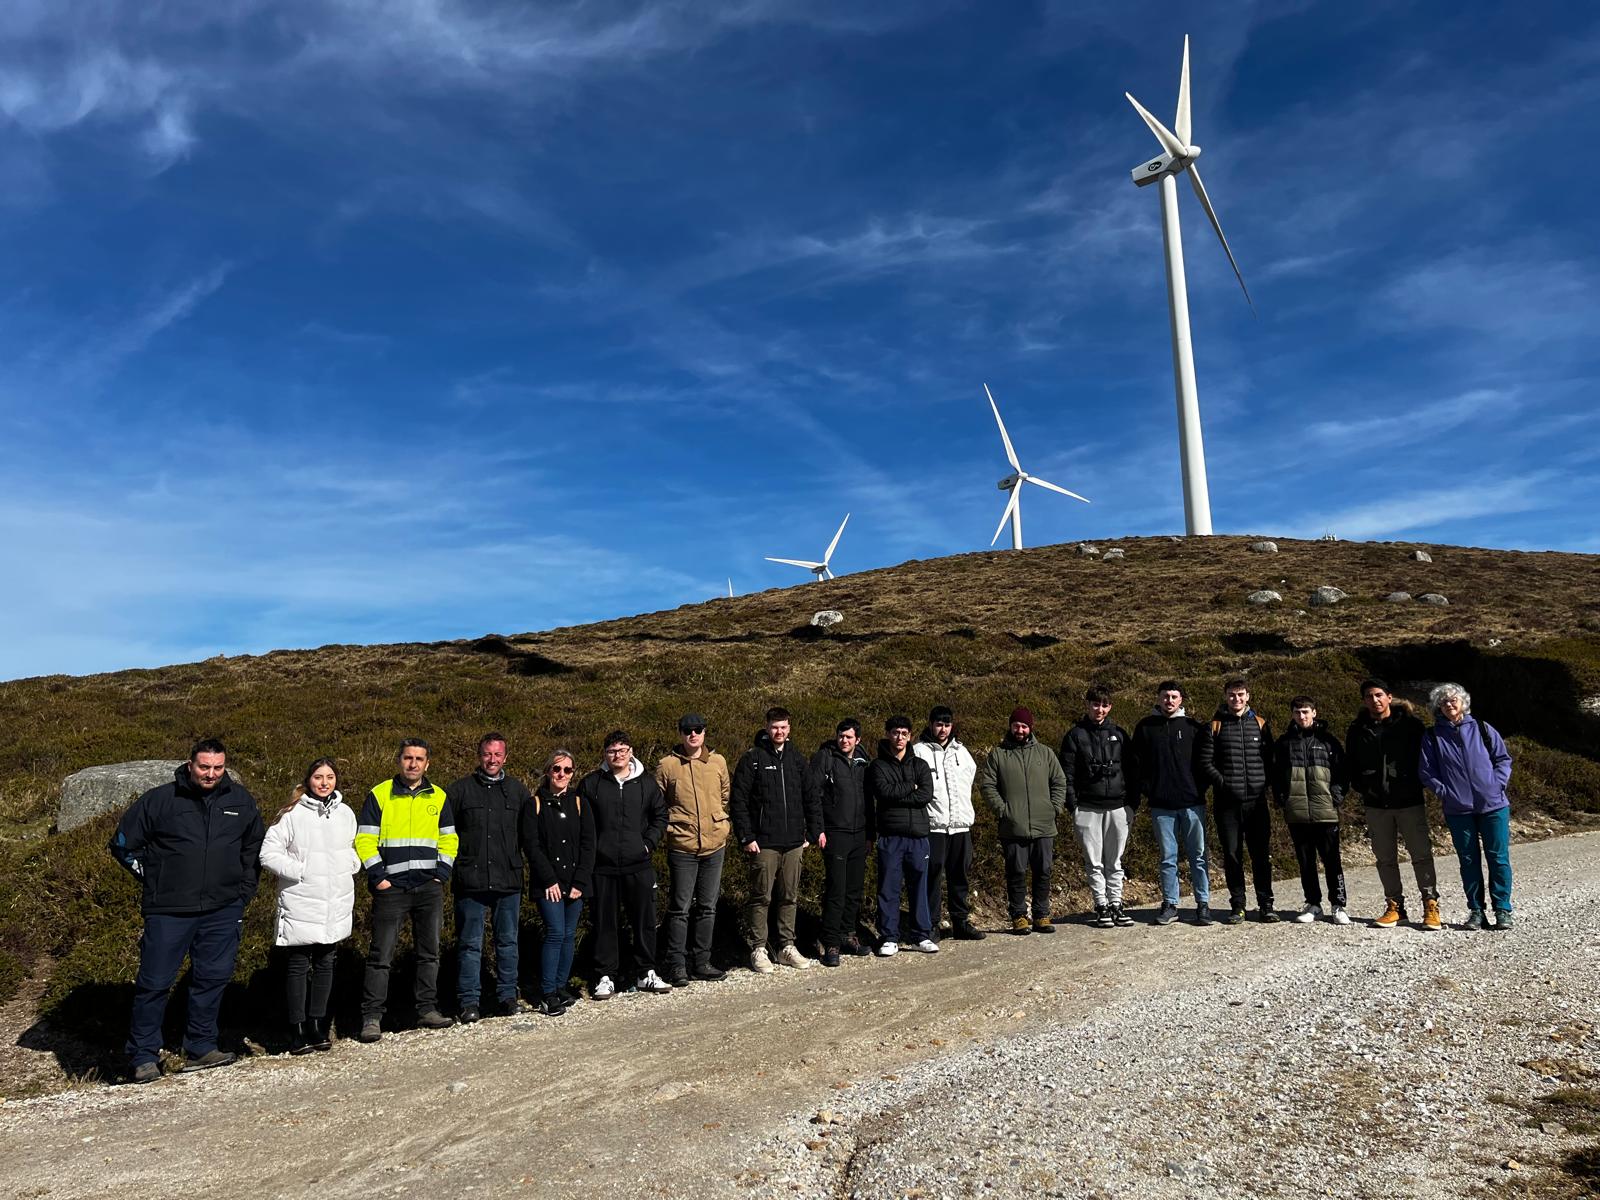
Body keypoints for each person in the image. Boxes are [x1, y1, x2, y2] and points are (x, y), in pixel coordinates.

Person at [109, 738, 265, 1082]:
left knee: (211, 980)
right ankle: (144, 1055)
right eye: (204, 766)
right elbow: (122, 844)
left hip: (222, 910)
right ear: (190, 764)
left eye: (217, 767)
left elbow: (253, 849)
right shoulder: (161, 799)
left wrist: (242, 893)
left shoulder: (240, 801)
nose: (210, 774)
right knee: (154, 983)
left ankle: (201, 1047)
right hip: (168, 910)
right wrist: (153, 878)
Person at [355, 738, 458, 1042]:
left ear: (428, 763)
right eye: (408, 758)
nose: (413, 764)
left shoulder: (438, 796)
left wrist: (442, 873)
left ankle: (426, 1009)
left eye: (420, 759)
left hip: (428, 887)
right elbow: (364, 839)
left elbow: (449, 839)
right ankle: (372, 1017)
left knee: (429, 953)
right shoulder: (380, 794)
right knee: (380, 955)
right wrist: (378, 876)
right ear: (398, 760)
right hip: (391, 889)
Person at [259, 757, 359, 1054]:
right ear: (308, 780)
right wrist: (299, 871)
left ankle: (318, 1024)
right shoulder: (292, 814)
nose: (324, 782)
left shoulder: (345, 813)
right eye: (318, 777)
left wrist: (351, 864)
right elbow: (268, 853)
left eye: (329, 777)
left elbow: (352, 846)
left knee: (327, 962)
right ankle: (297, 1028)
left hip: (335, 899)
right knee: (299, 965)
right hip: (302, 899)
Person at [447, 732, 536, 1022]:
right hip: (470, 880)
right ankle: (469, 1002)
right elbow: (446, 836)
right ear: (479, 755)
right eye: (487, 754)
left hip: (508, 879)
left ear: (506, 757)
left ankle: (507, 998)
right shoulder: (459, 791)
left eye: (498, 754)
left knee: (508, 942)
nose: (492, 760)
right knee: (470, 944)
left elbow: (529, 837)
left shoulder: (518, 791)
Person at [578, 730, 671, 997]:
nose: (617, 755)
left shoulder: (646, 783)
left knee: (644, 921)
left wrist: (647, 844)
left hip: (638, 864)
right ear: (604, 754)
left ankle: (646, 972)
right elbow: (584, 823)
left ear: (630, 751)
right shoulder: (592, 784)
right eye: (611, 751)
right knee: (605, 922)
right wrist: (594, 851)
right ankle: (606, 976)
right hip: (603, 867)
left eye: (622, 750)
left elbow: (660, 816)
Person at [730, 706, 822, 973]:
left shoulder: (797, 759)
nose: (778, 731)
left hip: (794, 842)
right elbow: (739, 801)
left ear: (789, 728)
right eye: (774, 727)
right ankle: (759, 948)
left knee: (789, 896)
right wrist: (746, 835)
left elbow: (811, 797)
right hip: (764, 842)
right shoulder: (753, 758)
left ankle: (786, 946)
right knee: (761, 896)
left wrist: (812, 833)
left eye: (783, 727)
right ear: (767, 727)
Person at [1346, 678, 1440, 930]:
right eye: (1368, 696)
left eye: (1378, 695)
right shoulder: (1357, 729)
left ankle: (1430, 904)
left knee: (1420, 855)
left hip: (1409, 801)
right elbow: (1351, 764)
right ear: (1364, 701)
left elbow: (1427, 759)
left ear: (1389, 697)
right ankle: (1395, 906)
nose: (1374, 700)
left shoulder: (1411, 726)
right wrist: (1364, 786)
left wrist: (1414, 783)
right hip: (1376, 804)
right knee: (1385, 858)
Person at [1419, 683, 1514, 931]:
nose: (1449, 705)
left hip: (1493, 805)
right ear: (1437, 707)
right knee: (1468, 860)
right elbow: (1427, 772)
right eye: (1443, 702)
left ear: (1463, 702)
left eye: (1453, 700)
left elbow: (1502, 758)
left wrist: (1498, 784)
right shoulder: (1432, 736)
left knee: (1498, 858)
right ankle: (1476, 911)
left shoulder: (1482, 728)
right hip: (1458, 809)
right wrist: (1445, 792)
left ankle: (1503, 910)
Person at [655, 714, 732, 987]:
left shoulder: (718, 762)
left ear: (704, 732)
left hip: (714, 844)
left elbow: (724, 795)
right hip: (683, 846)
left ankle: (702, 962)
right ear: (680, 733)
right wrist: (672, 828)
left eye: (698, 730)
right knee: (680, 908)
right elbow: (658, 804)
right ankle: (677, 965)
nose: (693, 735)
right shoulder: (667, 765)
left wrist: (718, 822)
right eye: (687, 730)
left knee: (708, 907)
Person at [978, 707, 1068, 935]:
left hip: (1044, 825)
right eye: (1016, 725)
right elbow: (987, 785)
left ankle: (1042, 915)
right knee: (1016, 871)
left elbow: (1059, 781)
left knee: (1044, 870)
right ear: (1010, 726)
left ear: (1030, 728)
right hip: (1012, 826)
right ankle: (1018, 916)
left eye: (1024, 726)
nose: (1020, 730)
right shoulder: (998, 754)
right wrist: (1002, 810)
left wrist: (1054, 808)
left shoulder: (1045, 753)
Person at [1131, 682, 1215, 925]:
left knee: (1198, 856)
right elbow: (1136, 763)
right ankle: (1170, 904)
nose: (1169, 700)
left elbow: (1205, 762)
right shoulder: (1145, 727)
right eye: (1165, 696)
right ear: (1157, 698)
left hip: (1192, 804)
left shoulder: (1193, 728)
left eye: (1174, 696)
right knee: (1168, 857)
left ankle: (1203, 904)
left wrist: (1200, 789)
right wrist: (1149, 789)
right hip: (1161, 806)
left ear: (1181, 700)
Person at [1199, 678, 1276, 923]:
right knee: (1232, 855)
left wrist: (1264, 784)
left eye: (1240, 694)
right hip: (1227, 805)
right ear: (1225, 697)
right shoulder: (1214, 726)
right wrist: (1224, 784)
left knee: (1261, 855)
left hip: (1257, 803)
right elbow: (1205, 762)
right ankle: (1238, 906)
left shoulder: (1260, 724)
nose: (1237, 699)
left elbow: (1270, 759)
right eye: (1232, 695)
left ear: (1248, 696)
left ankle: (1266, 904)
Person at [1059, 684, 1137, 928]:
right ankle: (1101, 904)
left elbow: (1133, 771)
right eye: (1095, 704)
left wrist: (1132, 803)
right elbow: (1066, 774)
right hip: (1088, 807)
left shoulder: (1121, 734)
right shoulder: (1074, 735)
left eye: (1104, 705)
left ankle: (1116, 903)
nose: (1099, 709)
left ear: (1110, 706)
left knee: (1115, 861)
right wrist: (1073, 806)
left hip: (1118, 807)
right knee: (1094, 861)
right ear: (1087, 705)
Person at [529, 749, 595, 1015]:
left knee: (568, 935)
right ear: (548, 771)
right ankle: (547, 993)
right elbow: (532, 846)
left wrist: (580, 880)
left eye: (567, 770)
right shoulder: (534, 803)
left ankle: (559, 987)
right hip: (548, 884)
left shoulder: (580, 802)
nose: (562, 775)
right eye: (557, 769)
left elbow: (589, 844)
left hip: (575, 882)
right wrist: (549, 880)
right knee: (555, 932)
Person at [1272, 697, 1349, 924]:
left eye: (1305, 711)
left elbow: (1342, 773)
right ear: (1292, 715)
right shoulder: (1284, 743)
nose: (1301, 716)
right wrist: (1283, 799)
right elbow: (1276, 775)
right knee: (1306, 862)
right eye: (1297, 712)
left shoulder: (1328, 741)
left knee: (1332, 860)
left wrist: (1335, 797)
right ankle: (1313, 904)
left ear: (1315, 712)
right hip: (1297, 813)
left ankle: (1338, 905)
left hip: (1325, 812)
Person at [913, 706, 984, 942]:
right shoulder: (919, 751)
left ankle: (960, 921)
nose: (942, 729)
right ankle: (930, 925)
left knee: (959, 875)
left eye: (947, 724)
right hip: (935, 826)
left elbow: (969, 780)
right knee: (932, 876)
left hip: (960, 826)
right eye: (938, 724)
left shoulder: (961, 752)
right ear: (930, 725)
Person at [869, 715, 938, 956]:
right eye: (895, 732)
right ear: (888, 733)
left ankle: (921, 935)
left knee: (919, 885)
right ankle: (889, 937)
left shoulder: (919, 765)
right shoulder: (878, 766)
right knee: (889, 887)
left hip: (918, 836)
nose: (900, 737)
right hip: (890, 836)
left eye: (904, 733)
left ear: (910, 736)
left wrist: (902, 793)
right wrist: (911, 786)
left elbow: (926, 795)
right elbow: (884, 793)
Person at [811, 718, 874, 966]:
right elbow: (813, 795)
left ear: (857, 739)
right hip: (835, 833)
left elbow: (869, 799)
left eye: (849, 737)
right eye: (841, 736)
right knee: (836, 890)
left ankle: (849, 935)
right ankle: (831, 943)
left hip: (859, 834)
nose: (844, 740)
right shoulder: (825, 758)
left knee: (854, 890)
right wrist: (818, 830)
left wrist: (871, 834)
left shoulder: (863, 760)